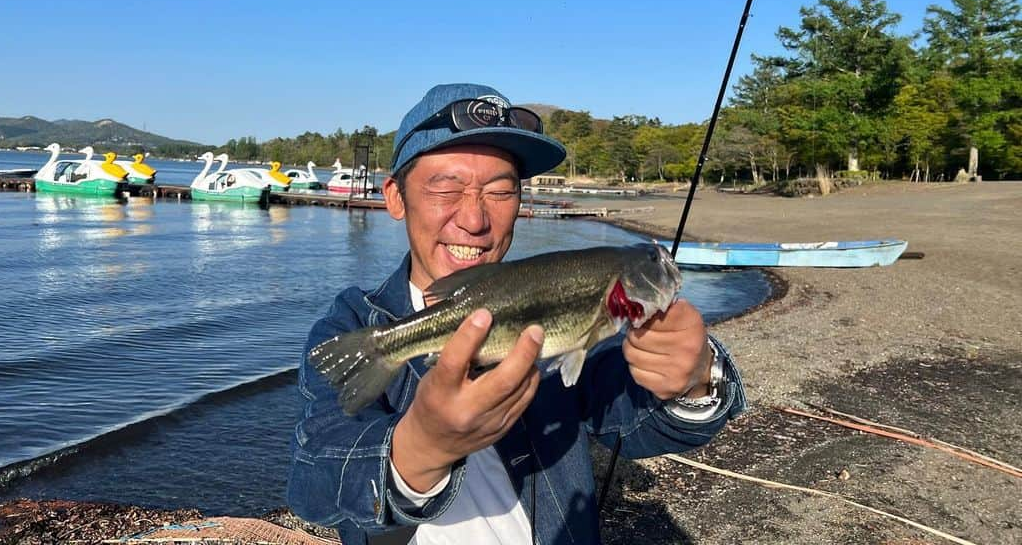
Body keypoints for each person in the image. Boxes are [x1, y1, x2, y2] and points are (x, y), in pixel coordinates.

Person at [288, 83, 746, 545]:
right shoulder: (353, 325)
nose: (474, 219)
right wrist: (421, 447)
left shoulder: (563, 307)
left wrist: (696, 378)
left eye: (501, 191)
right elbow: (315, 479)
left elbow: (640, 423)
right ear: (395, 197)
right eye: (446, 187)